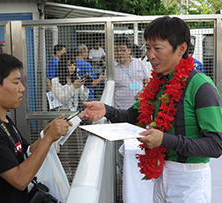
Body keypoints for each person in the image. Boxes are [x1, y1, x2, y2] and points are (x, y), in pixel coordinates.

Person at [80, 16, 222, 203]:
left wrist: (165, 140)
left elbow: (215, 145)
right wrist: (105, 110)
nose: (150, 55)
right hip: (161, 175)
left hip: (190, 180)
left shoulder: (201, 86)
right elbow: (132, 115)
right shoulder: (157, 83)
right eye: (148, 48)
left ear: (181, 48)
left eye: (157, 48)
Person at [0, 53, 70, 203]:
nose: (22, 88)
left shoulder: (4, 121)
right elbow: (20, 179)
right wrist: (48, 139)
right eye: (16, 82)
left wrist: (47, 134)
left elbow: (26, 152)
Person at [114, 35, 150, 109]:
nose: (120, 53)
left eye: (123, 50)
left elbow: (147, 81)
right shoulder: (111, 69)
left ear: (129, 50)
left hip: (140, 107)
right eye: (116, 50)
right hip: (122, 110)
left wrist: (144, 92)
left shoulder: (139, 63)